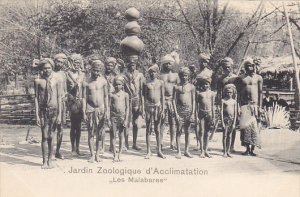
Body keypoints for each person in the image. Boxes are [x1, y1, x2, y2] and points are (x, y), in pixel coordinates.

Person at [34, 58, 62, 169]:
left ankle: (51, 159)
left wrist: (60, 114)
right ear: (41, 69)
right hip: (43, 111)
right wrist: (36, 115)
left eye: (49, 68)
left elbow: (59, 97)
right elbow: (36, 98)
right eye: (45, 68)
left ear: (52, 68)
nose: (47, 70)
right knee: (45, 136)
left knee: (52, 135)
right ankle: (44, 161)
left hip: (54, 110)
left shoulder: (57, 80)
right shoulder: (38, 81)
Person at [82, 60, 110, 162]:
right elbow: (84, 98)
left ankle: (98, 154)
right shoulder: (86, 82)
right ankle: (92, 155)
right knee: (91, 133)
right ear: (91, 69)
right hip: (90, 108)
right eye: (94, 70)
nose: (96, 73)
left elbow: (106, 96)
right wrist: (84, 111)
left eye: (98, 71)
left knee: (100, 133)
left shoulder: (103, 81)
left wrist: (107, 111)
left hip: (101, 109)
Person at [238, 58, 263, 156]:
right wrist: (239, 106)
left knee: (255, 128)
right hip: (245, 105)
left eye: (252, 65)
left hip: (255, 105)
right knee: (245, 127)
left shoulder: (258, 78)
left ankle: (253, 149)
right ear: (245, 67)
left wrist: (260, 107)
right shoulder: (241, 78)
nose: (250, 67)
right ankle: (247, 149)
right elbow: (239, 94)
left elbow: (260, 93)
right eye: (248, 65)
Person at [142, 64, 166, 159]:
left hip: (158, 107)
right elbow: (143, 97)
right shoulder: (146, 83)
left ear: (157, 73)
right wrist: (143, 109)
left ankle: (159, 150)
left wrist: (163, 109)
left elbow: (163, 97)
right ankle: (148, 151)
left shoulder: (161, 83)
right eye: (150, 72)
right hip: (148, 107)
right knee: (148, 129)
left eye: (154, 72)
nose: (152, 73)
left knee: (157, 129)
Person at [173, 67, 196, 159]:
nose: (184, 77)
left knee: (187, 131)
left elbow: (194, 100)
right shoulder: (177, 87)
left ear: (188, 76)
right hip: (179, 111)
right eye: (182, 75)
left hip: (189, 111)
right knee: (179, 131)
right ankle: (179, 151)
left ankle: (186, 150)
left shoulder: (192, 87)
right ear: (180, 76)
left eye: (186, 75)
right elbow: (174, 101)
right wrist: (176, 114)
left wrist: (193, 113)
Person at [217, 57, 239, 153]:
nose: (227, 69)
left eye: (229, 67)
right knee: (225, 126)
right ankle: (225, 146)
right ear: (223, 68)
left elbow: (238, 93)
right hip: (224, 103)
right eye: (225, 67)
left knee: (233, 126)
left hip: (234, 104)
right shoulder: (221, 78)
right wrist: (218, 104)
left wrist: (238, 106)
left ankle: (232, 146)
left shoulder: (235, 78)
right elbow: (219, 92)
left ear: (232, 66)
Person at [123, 55, 144, 150]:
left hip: (137, 99)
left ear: (136, 65)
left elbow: (142, 90)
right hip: (127, 100)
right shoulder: (124, 75)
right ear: (128, 65)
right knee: (127, 122)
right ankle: (126, 143)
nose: (132, 66)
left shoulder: (139, 75)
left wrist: (141, 104)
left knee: (136, 123)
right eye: (131, 65)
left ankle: (134, 143)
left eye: (134, 65)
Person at [66, 53, 85, 156]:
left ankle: (78, 148)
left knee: (79, 126)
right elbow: (67, 89)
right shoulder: (67, 74)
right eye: (75, 62)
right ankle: (73, 148)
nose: (77, 64)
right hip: (72, 101)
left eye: (78, 63)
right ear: (71, 63)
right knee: (73, 125)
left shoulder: (82, 74)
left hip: (81, 101)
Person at [159, 54, 180, 150]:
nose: (168, 65)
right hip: (162, 100)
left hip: (172, 100)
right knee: (161, 121)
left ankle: (172, 142)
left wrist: (177, 101)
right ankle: (161, 142)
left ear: (172, 64)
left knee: (173, 122)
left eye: (169, 63)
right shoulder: (159, 76)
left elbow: (179, 88)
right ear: (163, 64)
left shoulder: (175, 75)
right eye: (166, 63)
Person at [110, 76, 129, 162]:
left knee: (121, 135)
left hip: (122, 116)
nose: (117, 86)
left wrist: (126, 119)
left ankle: (120, 153)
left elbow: (127, 108)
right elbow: (108, 107)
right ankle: (114, 154)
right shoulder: (111, 95)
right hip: (113, 116)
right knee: (113, 135)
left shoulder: (125, 95)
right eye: (116, 84)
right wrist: (109, 118)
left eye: (119, 84)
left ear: (122, 85)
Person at [195, 73, 215, 158]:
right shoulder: (199, 94)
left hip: (209, 113)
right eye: (203, 84)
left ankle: (206, 150)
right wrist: (196, 116)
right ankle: (202, 150)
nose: (205, 85)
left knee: (207, 132)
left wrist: (213, 116)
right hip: (201, 113)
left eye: (206, 84)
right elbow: (196, 105)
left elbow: (213, 105)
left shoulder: (212, 93)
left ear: (209, 84)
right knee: (201, 131)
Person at [53, 53, 68, 159]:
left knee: (61, 128)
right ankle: (51, 151)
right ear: (54, 61)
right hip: (53, 102)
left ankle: (58, 151)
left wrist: (65, 97)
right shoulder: (50, 73)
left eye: (62, 62)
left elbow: (65, 89)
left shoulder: (63, 74)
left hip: (62, 103)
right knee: (52, 128)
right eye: (58, 61)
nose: (60, 64)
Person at [221, 84, 237, 158]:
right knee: (225, 136)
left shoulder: (234, 101)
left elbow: (236, 113)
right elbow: (221, 112)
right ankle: (224, 151)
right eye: (227, 92)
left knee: (229, 136)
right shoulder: (223, 100)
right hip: (225, 119)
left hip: (232, 119)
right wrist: (222, 122)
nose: (229, 94)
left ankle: (228, 151)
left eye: (230, 92)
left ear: (233, 93)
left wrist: (234, 123)